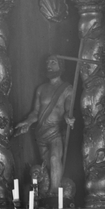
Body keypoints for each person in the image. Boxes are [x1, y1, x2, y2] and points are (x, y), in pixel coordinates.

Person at [15, 56, 74, 198]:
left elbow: (68, 109)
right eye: (47, 62)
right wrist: (27, 122)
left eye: (53, 62)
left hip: (55, 131)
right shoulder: (41, 89)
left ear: (61, 66)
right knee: (47, 162)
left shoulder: (67, 88)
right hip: (40, 133)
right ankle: (51, 188)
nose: (49, 65)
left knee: (54, 158)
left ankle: (54, 192)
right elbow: (36, 112)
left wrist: (68, 117)